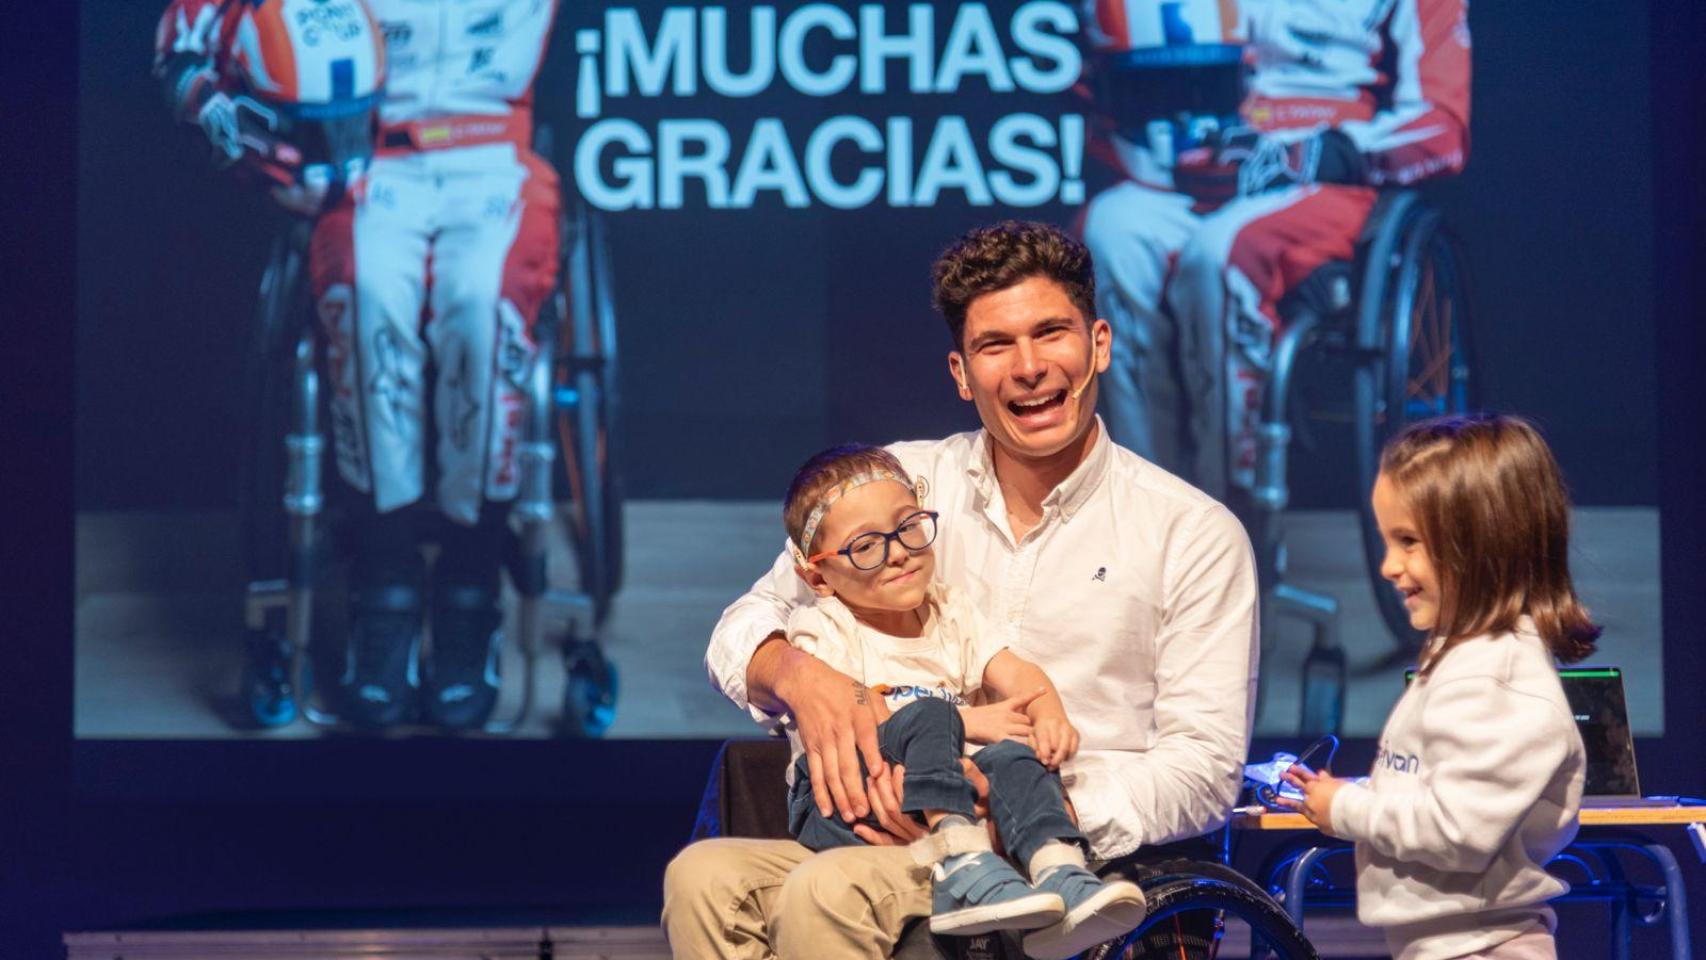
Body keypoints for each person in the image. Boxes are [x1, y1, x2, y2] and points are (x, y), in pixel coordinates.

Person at [661, 221, 1259, 959]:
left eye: (1051, 334)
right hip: (882, 832)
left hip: (1062, 857)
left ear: (1098, 344)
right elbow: (744, 622)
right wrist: (796, 674)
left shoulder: (1191, 533)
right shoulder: (897, 486)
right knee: (702, 877)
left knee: (828, 892)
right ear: (960, 372)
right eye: (995, 346)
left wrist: (1019, 809)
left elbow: (1202, 772)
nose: (1029, 367)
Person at [155, 0, 565, 730]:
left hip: (495, 157)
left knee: (481, 304)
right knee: (368, 301)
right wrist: (206, 95)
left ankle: (471, 584)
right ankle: (386, 579)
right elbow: (194, 29)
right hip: (368, 162)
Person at [1079, 0, 1472, 505]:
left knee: (1221, 255)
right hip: (1210, 164)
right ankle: (1143, 507)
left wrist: (1318, 154)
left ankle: (1227, 519)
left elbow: (1442, 131)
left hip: (1331, 175)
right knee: (1113, 233)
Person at [777, 444, 1147, 957]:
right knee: (929, 715)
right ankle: (960, 863)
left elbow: (1014, 671)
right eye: (866, 546)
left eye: (908, 526)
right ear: (817, 575)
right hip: (848, 799)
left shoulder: (949, 611)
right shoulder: (824, 628)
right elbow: (868, 709)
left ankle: (1059, 870)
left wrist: (1047, 714)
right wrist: (968, 721)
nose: (900, 551)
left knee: (1015, 757)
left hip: (937, 787)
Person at [1280, 414, 1598, 960]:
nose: (1387, 566)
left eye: (1408, 542)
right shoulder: (1463, 659)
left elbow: (1458, 831)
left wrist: (1350, 808)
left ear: (1481, 544)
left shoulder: (1497, 676)